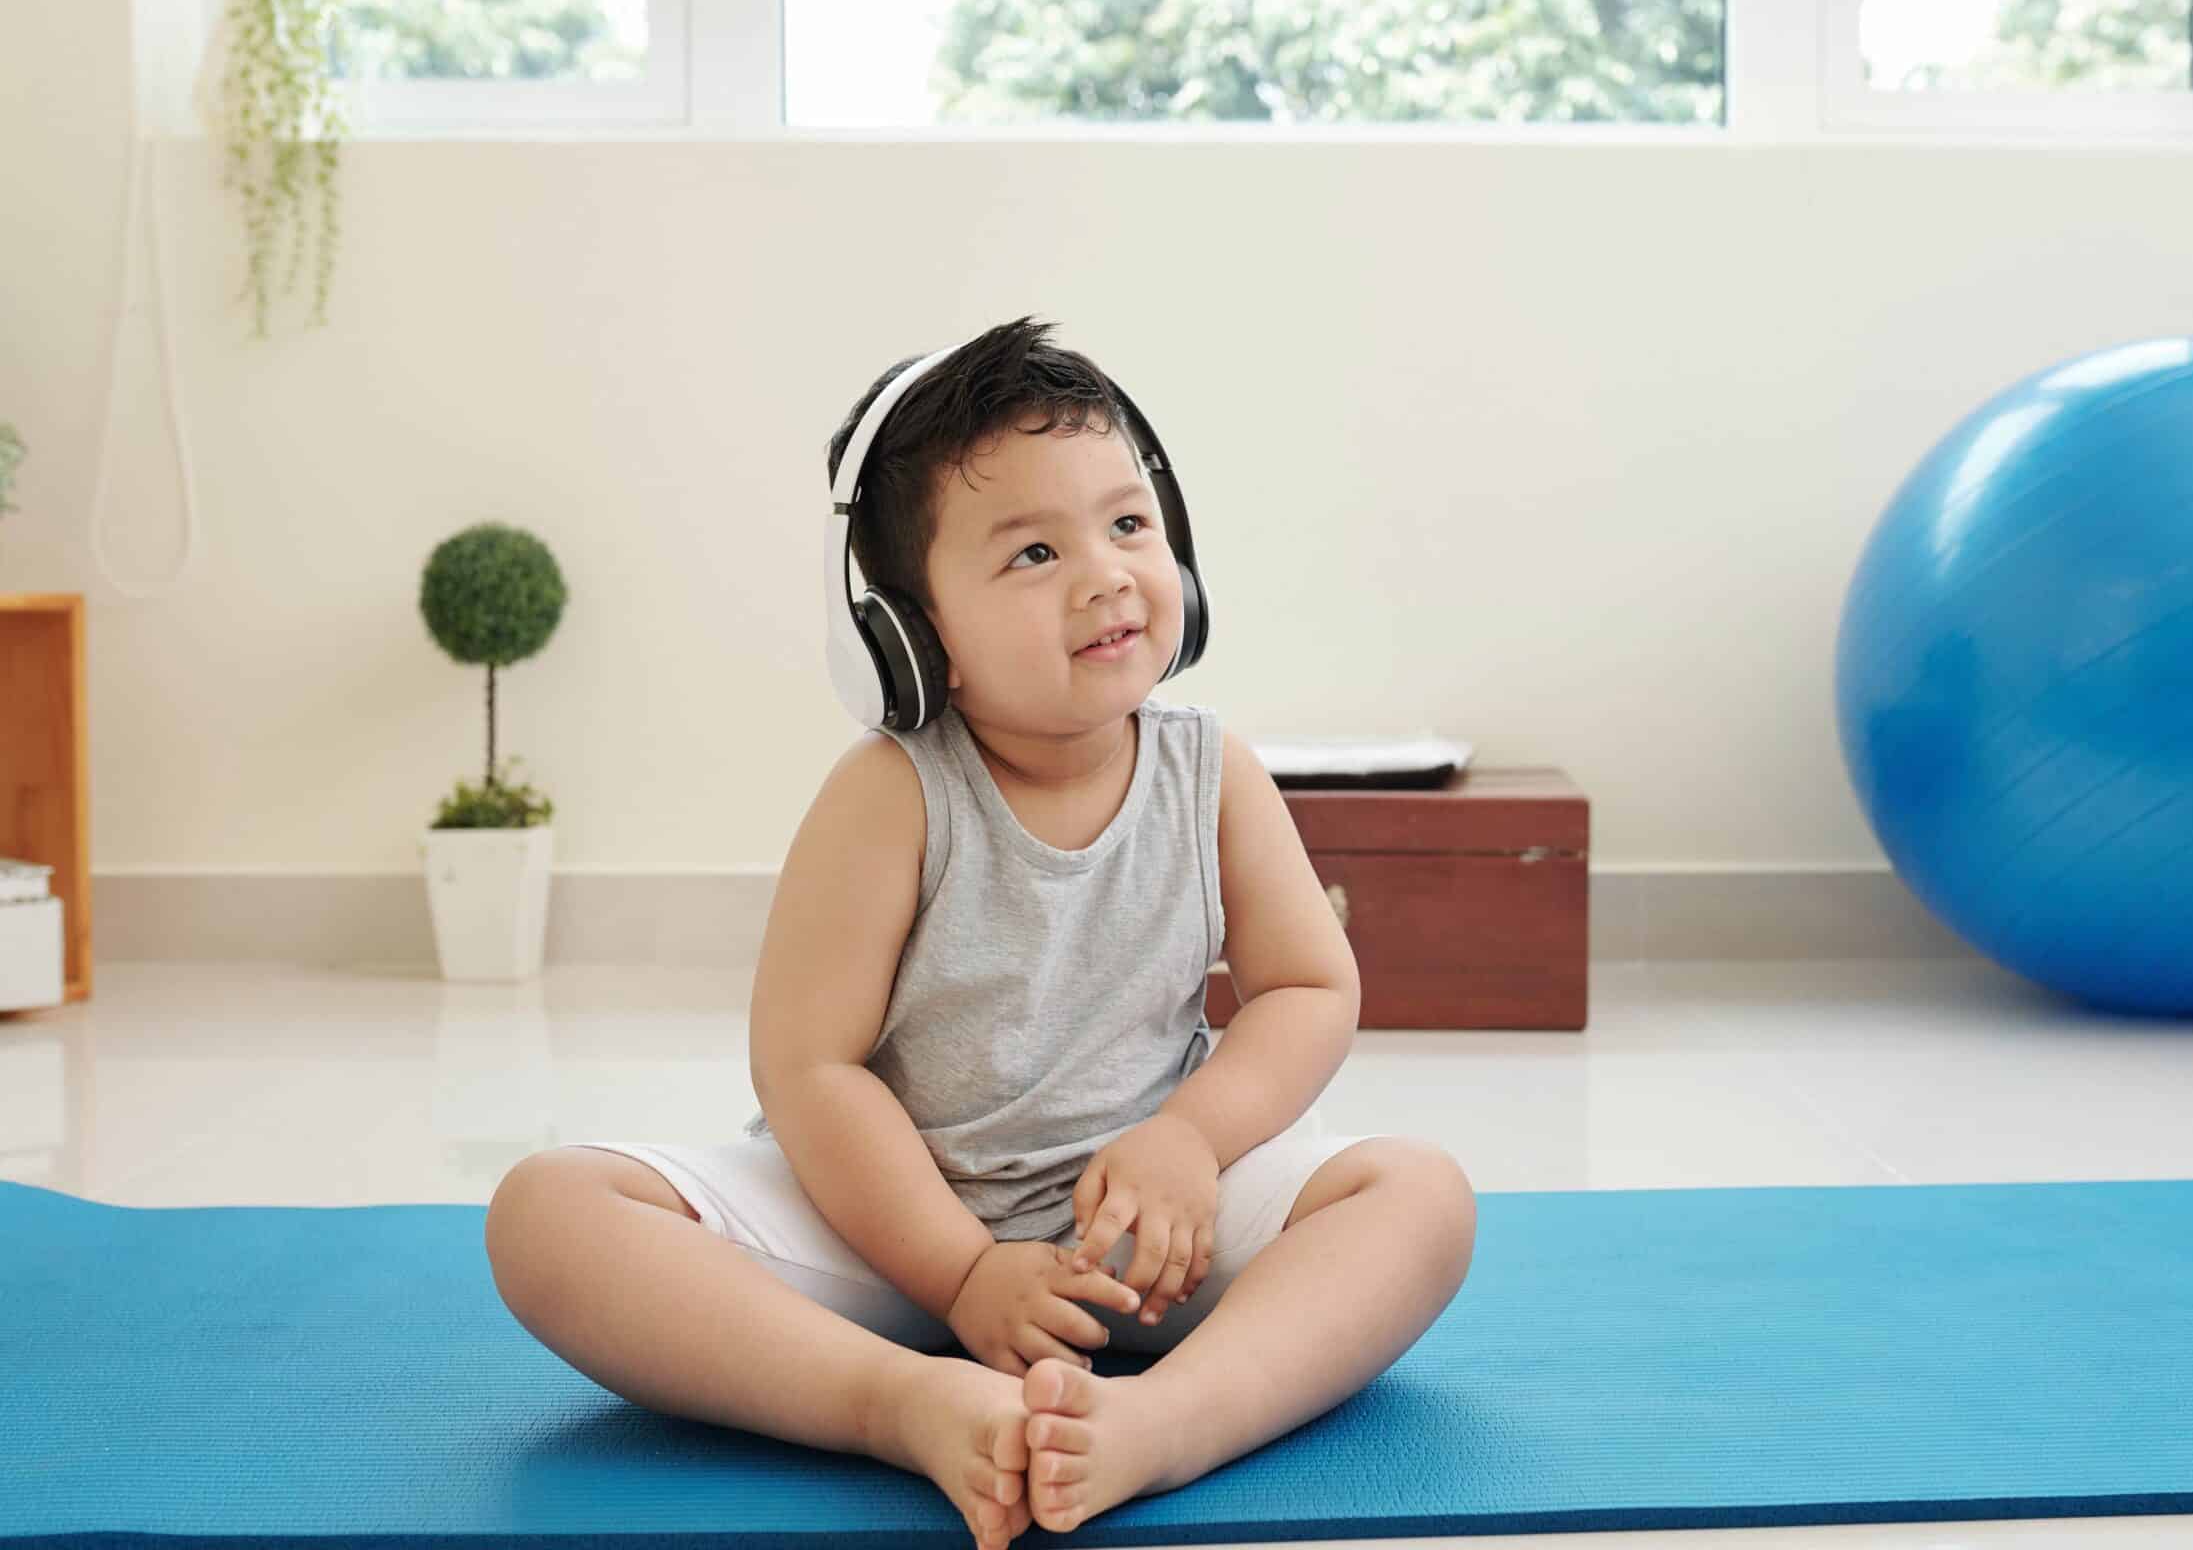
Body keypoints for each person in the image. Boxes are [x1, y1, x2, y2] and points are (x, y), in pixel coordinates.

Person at [483, 317, 1477, 1549]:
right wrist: (957, 1273)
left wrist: (1186, 1142)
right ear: (907, 640)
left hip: (1144, 1236)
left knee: (1420, 1197)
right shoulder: (891, 795)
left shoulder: (1211, 770)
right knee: (548, 1212)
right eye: (1033, 553)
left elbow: (1306, 990)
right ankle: (903, 1403)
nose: (1107, 574)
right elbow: (809, 1069)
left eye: (1127, 526)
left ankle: (1164, 1424)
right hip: (890, 1235)